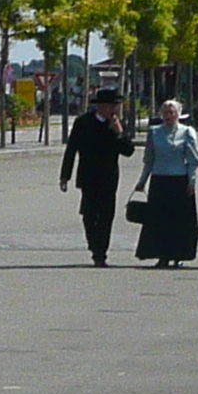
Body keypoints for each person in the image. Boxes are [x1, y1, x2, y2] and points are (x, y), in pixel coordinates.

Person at [61, 89, 133, 267]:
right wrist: (65, 176)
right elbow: (71, 150)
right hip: (88, 177)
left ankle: (101, 253)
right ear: (101, 106)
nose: (115, 109)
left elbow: (129, 151)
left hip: (109, 178)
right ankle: (94, 245)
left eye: (117, 105)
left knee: (106, 216)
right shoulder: (83, 122)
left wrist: (119, 133)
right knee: (89, 214)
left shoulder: (117, 124)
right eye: (112, 105)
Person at [130, 97, 198, 266]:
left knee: (179, 221)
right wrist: (142, 181)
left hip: (179, 181)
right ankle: (162, 255)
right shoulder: (154, 132)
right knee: (159, 220)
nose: (168, 115)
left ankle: (178, 255)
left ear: (178, 114)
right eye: (165, 112)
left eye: (171, 112)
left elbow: (193, 160)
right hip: (160, 180)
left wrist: (191, 181)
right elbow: (149, 159)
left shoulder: (187, 132)